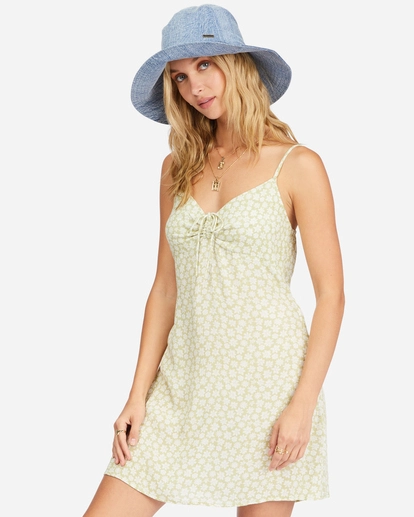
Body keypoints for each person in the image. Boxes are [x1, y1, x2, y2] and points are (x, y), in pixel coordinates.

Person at [83, 4, 345, 517]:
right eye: (179, 76)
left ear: (238, 65)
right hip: (181, 384)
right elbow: (165, 289)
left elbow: (332, 295)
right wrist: (137, 395)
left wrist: (303, 404)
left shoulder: (298, 164)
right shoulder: (175, 169)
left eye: (205, 65)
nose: (194, 87)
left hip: (269, 386)